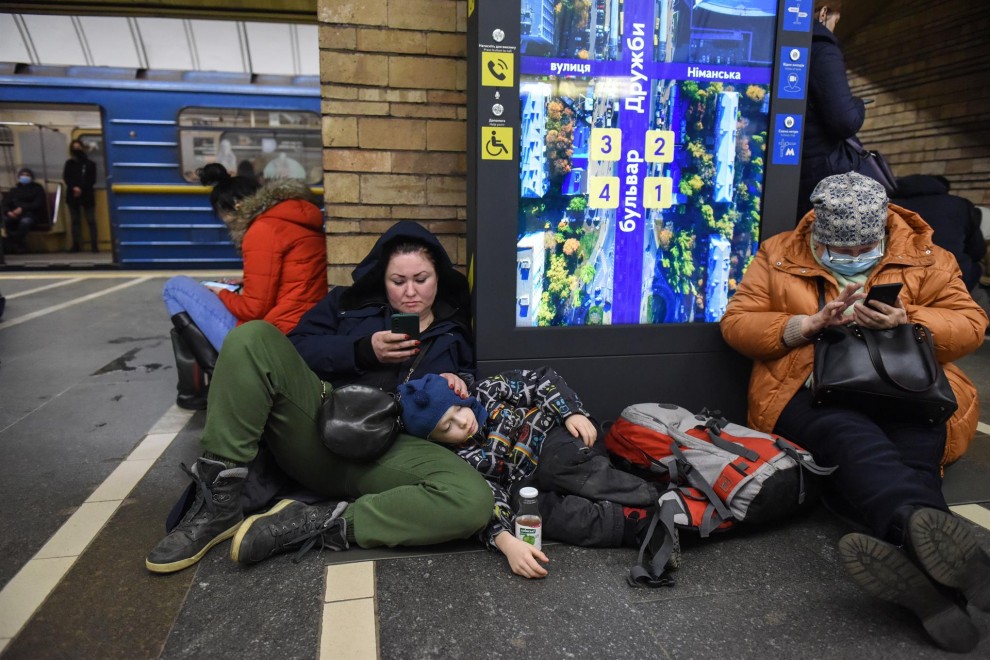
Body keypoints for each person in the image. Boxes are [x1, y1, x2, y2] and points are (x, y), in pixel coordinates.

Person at [720, 172, 990, 653]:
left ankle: (923, 563)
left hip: (910, 392)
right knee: (855, 443)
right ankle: (965, 567)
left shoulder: (928, 255)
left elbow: (971, 323)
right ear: (817, 234)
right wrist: (807, 324)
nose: (849, 258)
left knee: (911, 457)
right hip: (810, 390)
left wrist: (912, 320)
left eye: (862, 247)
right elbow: (738, 323)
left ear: (884, 226)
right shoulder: (779, 252)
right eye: (837, 250)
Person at [146, 221, 492, 574]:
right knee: (251, 337)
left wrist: (459, 384)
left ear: (439, 277)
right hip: (320, 426)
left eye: (422, 279)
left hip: (395, 452)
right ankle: (219, 507)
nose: (410, 293)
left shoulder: (455, 330)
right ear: (381, 278)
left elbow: (478, 400)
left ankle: (316, 522)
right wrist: (362, 350)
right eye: (397, 281)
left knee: (473, 501)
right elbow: (295, 348)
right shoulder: (347, 304)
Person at [391, 370, 658, 579]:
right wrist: (507, 542)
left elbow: (539, 380)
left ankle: (655, 496)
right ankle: (634, 525)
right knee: (533, 514)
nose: (463, 421)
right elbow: (487, 496)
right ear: (434, 439)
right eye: (447, 426)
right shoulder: (457, 461)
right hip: (522, 481)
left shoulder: (488, 391)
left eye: (459, 408)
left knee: (560, 467)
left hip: (551, 440)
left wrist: (570, 412)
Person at [162, 164, 327, 409]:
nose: (225, 223)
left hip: (272, 337)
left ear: (237, 205)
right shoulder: (297, 219)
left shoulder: (262, 229)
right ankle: (200, 387)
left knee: (175, 288)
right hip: (300, 326)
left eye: (222, 214)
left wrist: (219, 293)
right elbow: (293, 278)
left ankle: (227, 376)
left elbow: (253, 309)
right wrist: (243, 284)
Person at [797, 0, 866, 221]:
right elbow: (845, 120)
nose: (835, 26)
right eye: (836, 20)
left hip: (795, 164)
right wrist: (859, 104)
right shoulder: (823, 48)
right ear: (824, 12)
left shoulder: (790, 45)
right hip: (819, 173)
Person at [890, 174, 986, 292]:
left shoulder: (890, 206)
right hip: (952, 279)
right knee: (975, 268)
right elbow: (977, 251)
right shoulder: (960, 205)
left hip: (898, 280)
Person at [62, 139, 98, 253]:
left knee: (91, 220)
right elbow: (66, 177)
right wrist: (74, 187)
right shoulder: (69, 164)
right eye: (74, 147)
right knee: (75, 221)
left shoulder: (90, 164)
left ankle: (94, 245)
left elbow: (92, 180)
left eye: (78, 147)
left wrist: (81, 188)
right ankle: (76, 245)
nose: (77, 150)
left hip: (87, 194)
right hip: (72, 194)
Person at [2, 167, 47, 254]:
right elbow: (6, 203)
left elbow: (38, 204)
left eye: (27, 175)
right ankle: (16, 244)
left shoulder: (37, 189)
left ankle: (16, 243)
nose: (24, 177)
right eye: (22, 175)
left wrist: (23, 208)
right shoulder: (14, 190)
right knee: (5, 221)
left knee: (25, 222)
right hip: (14, 214)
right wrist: (8, 212)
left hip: (30, 214)